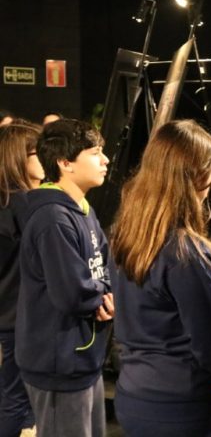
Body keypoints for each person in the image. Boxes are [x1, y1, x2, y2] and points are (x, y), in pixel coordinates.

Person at [109, 119, 211, 437]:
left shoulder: (127, 235)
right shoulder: (186, 252)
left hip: (133, 394)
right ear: (200, 176)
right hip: (180, 405)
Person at [15, 118, 114, 437]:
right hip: (59, 362)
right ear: (64, 162)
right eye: (95, 152)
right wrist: (101, 297)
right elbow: (72, 292)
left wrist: (106, 293)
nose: (105, 160)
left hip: (83, 358)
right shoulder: (52, 219)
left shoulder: (82, 209)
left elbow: (104, 266)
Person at [0, 121, 44, 437]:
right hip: (19, 321)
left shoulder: (10, 202)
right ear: (19, 157)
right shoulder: (26, 205)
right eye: (37, 152)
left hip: (10, 319)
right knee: (18, 402)